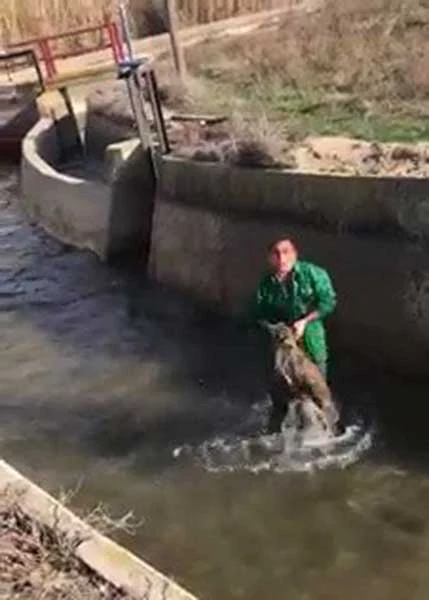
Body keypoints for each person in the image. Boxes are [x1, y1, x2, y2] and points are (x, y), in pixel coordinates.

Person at [248, 238, 337, 433]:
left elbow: (328, 302)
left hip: (311, 341)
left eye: (286, 252)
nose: (281, 258)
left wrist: (305, 321)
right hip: (283, 347)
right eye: (276, 253)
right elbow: (258, 313)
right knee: (280, 400)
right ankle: (275, 439)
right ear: (269, 258)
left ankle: (328, 435)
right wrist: (274, 328)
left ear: (295, 254)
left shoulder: (313, 274)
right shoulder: (266, 283)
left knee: (318, 396)